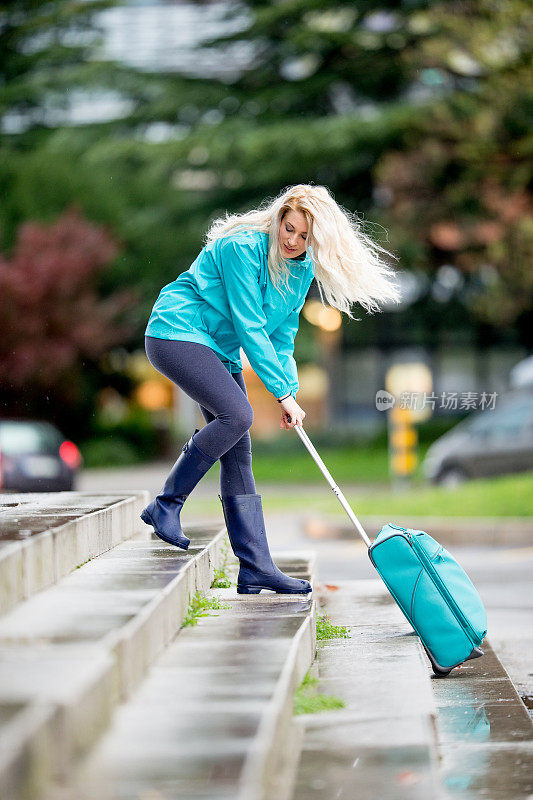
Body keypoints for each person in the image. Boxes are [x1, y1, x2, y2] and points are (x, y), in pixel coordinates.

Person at [141, 184, 401, 594]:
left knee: (238, 450)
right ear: (279, 218)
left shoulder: (301, 270)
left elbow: (282, 336)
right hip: (177, 332)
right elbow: (250, 326)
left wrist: (290, 393)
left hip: (217, 349)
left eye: (304, 237)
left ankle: (256, 567)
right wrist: (279, 393)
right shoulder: (241, 248)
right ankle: (166, 505)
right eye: (289, 229)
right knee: (239, 416)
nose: (293, 242)